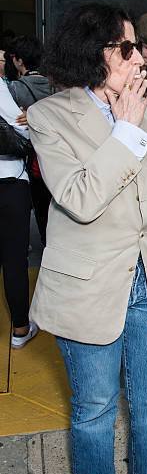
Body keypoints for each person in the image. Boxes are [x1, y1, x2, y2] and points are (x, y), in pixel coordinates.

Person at [27, 2, 147, 474]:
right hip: (90, 289)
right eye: (127, 48)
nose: (140, 57)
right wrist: (122, 129)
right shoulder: (51, 117)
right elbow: (79, 197)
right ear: (96, 56)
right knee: (95, 409)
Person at [0, 77, 38, 349]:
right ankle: (20, 328)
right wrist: (29, 119)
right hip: (9, 181)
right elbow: (21, 127)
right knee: (13, 257)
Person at [8, 35, 53, 247]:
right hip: (56, 157)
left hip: (34, 162)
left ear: (18, 60)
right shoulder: (55, 86)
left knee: (40, 212)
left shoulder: (15, 89)